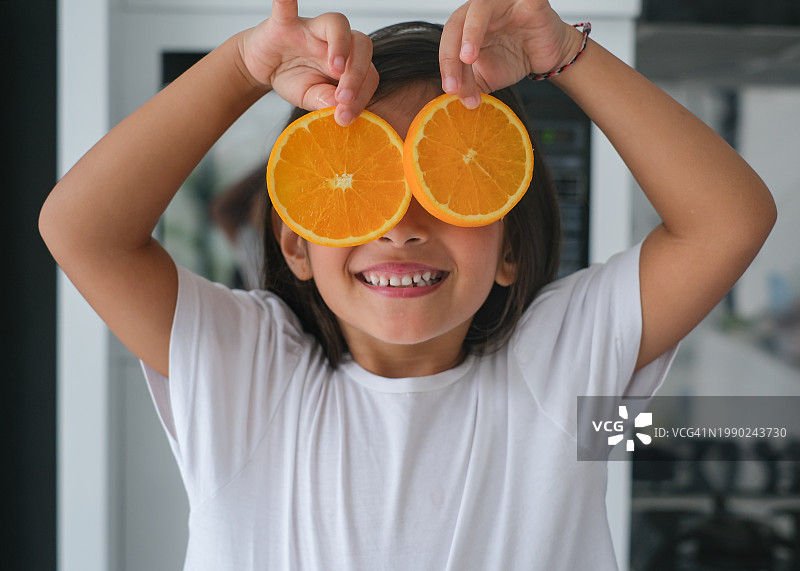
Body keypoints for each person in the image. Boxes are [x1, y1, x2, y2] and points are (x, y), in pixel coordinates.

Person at [39, 0, 776, 568]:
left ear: (511, 247)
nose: (399, 224)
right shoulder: (248, 374)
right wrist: (240, 67)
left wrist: (568, 54)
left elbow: (729, 220)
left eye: (445, 181)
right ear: (296, 239)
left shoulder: (559, 369)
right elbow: (81, 229)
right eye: (362, 183)